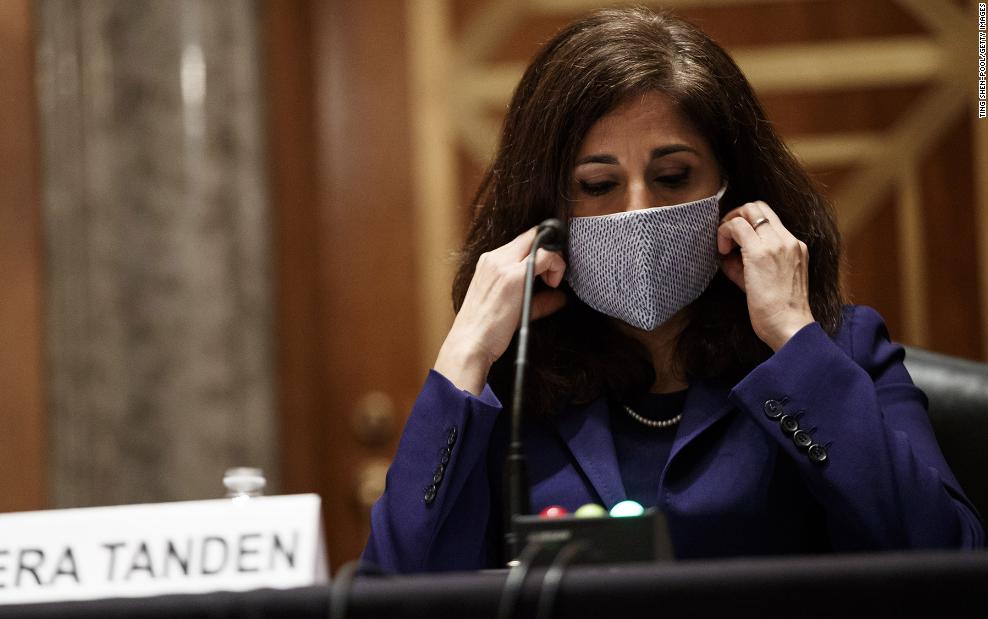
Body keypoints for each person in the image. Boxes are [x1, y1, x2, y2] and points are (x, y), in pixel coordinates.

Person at [362, 7, 984, 573]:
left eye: (673, 176)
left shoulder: (834, 349)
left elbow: (950, 560)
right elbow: (391, 589)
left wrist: (794, 340)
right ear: (545, 209)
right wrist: (466, 351)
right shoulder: (511, 379)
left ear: (733, 190)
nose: (639, 210)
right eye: (598, 185)